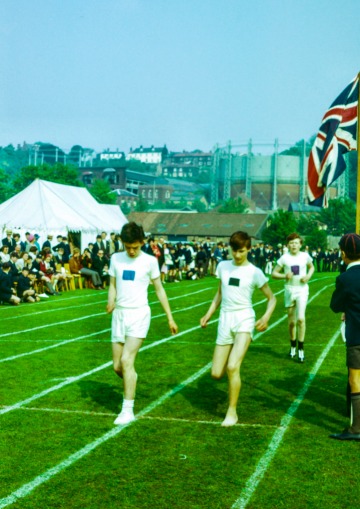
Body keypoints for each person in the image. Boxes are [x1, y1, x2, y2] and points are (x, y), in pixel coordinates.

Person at [200, 231, 276, 427]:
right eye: (234, 250)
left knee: (233, 366)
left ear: (249, 249)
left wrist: (265, 317)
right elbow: (219, 293)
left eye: (241, 251)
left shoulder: (255, 272)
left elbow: (272, 298)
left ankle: (231, 412)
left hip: (244, 319)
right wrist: (209, 314)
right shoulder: (223, 266)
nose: (237, 255)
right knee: (216, 373)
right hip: (225, 319)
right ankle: (232, 381)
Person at [107, 222, 178, 426]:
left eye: (135, 247)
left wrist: (169, 317)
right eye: (128, 247)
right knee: (117, 366)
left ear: (142, 243)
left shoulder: (149, 261)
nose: (131, 251)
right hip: (119, 315)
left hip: (139, 315)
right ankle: (132, 379)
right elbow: (112, 285)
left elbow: (159, 290)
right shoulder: (115, 259)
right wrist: (111, 300)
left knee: (127, 360)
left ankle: (127, 410)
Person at [329, 233, 360, 441]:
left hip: (357, 335)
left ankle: (356, 427)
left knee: (355, 380)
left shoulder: (345, 278)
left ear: (342, 253)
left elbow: (335, 305)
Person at [272, 233, 314, 363]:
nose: (294, 245)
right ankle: (292, 346)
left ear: (300, 244)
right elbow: (273, 274)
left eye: (296, 243)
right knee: (291, 322)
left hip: (302, 290)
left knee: (301, 319)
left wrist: (308, 276)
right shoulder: (284, 258)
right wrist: (285, 275)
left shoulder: (305, 256)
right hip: (289, 291)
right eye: (291, 243)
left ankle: (301, 348)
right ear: (288, 245)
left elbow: (311, 267)